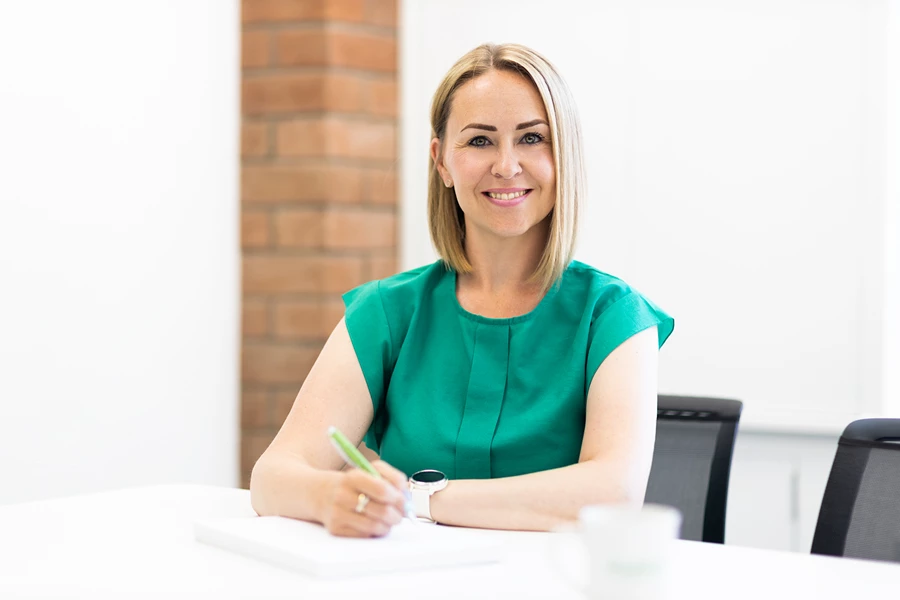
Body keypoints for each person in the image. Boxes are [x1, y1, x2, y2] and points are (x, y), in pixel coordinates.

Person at [250, 43, 674, 538]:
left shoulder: (615, 316)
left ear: (564, 157)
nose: (507, 165)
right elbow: (271, 477)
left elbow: (614, 495)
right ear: (442, 162)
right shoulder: (388, 311)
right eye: (479, 142)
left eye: (533, 138)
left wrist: (418, 498)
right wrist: (331, 496)